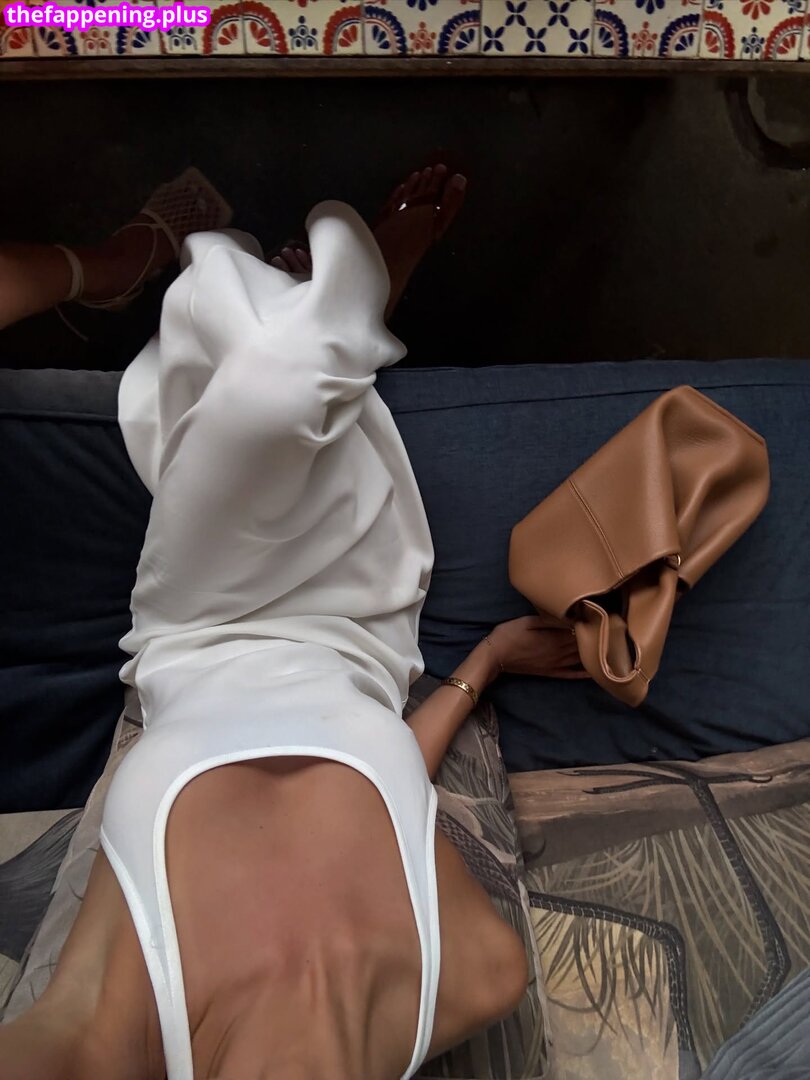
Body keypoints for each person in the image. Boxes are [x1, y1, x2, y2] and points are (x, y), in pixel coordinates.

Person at [0, 164, 585, 1080]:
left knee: (270, 385)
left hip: (203, 620)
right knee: (277, 380)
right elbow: (387, 804)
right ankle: (339, 293)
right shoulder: (475, 976)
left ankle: (330, 291)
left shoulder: (107, 1041)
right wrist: (486, 663)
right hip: (362, 621)